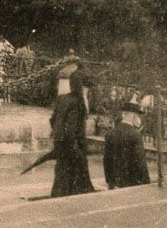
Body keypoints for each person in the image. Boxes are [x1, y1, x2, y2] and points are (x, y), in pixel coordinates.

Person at [50, 51, 95, 197]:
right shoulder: (78, 103)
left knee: (60, 180)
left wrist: (59, 140)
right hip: (74, 146)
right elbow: (71, 130)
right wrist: (77, 151)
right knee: (76, 187)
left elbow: (53, 120)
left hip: (61, 145)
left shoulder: (62, 98)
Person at [104, 102, 151, 189]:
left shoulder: (110, 133)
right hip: (131, 183)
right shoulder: (135, 135)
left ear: (123, 114)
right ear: (134, 116)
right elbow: (140, 161)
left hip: (114, 183)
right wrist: (146, 182)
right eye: (137, 116)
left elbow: (107, 160)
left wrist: (109, 181)